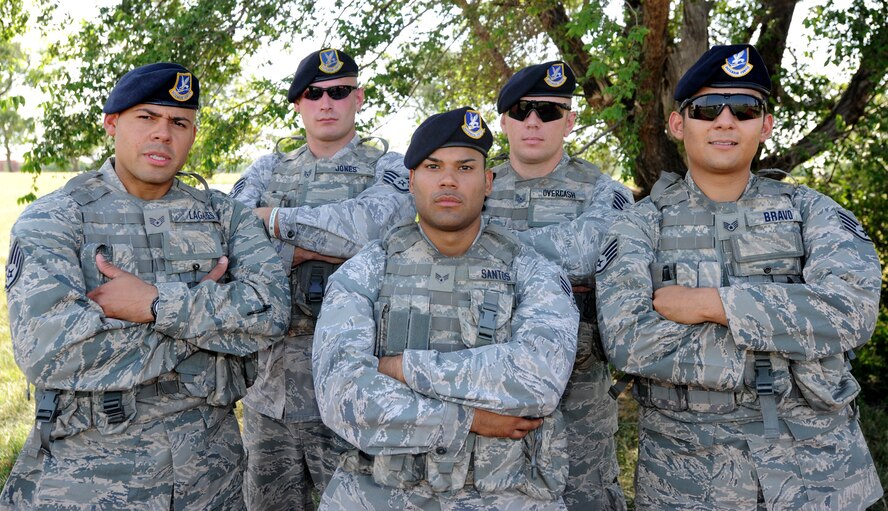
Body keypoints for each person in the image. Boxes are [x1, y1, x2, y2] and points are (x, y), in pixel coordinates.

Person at [596, 44, 884, 510]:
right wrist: (791, 349)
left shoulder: (811, 211)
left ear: (765, 125)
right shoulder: (639, 224)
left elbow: (851, 312)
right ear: (677, 124)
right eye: (707, 109)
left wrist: (712, 304)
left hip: (822, 475)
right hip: (688, 479)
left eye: (745, 109)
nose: (725, 121)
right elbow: (629, 339)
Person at [0, 63, 290, 510]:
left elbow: (272, 313)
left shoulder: (222, 215)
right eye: (146, 118)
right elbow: (50, 352)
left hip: (212, 473)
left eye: (179, 122)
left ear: (193, 133)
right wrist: (210, 329)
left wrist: (154, 305)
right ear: (112, 123)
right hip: (91, 474)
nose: (163, 134)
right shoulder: (56, 219)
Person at [313, 107, 579, 509]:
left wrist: (403, 368)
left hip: (506, 495)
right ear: (411, 180)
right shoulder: (367, 269)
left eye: (466, 167)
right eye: (433, 166)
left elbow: (538, 380)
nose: (449, 179)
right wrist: (470, 420)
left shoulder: (530, 269)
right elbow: (342, 396)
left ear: (488, 182)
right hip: (383, 493)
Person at [229, 48, 410, 510]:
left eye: (339, 92)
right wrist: (313, 247)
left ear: (359, 98)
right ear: (298, 104)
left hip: (357, 383)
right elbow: (227, 238)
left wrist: (273, 224)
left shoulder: (390, 168)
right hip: (269, 390)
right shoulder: (267, 168)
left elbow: (372, 229)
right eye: (313, 93)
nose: (326, 102)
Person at [488, 61, 631, 510]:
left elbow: (591, 251)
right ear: (504, 120)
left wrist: (484, 251)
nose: (533, 121)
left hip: (580, 381)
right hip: (489, 371)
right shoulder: (473, 181)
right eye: (522, 110)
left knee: (587, 496)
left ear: (569, 121)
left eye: (549, 111)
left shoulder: (603, 189)